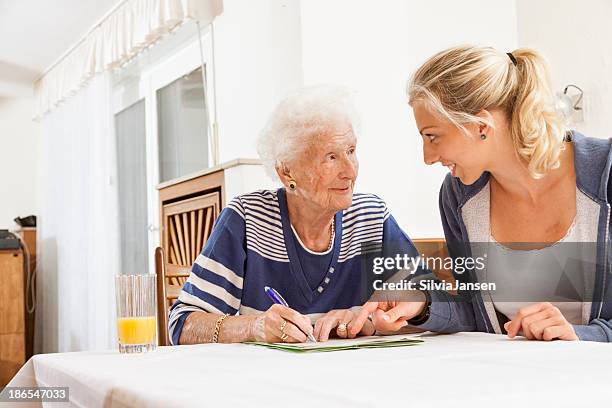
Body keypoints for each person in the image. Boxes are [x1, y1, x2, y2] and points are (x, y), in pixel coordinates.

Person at [350, 45, 612, 342]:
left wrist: (583, 335)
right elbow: (476, 312)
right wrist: (423, 304)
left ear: (480, 126)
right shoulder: (459, 197)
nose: (427, 156)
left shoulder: (605, 174)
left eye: (432, 136)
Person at [169, 85, 423, 344]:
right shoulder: (247, 219)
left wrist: (368, 321)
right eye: (331, 157)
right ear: (287, 172)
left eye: (351, 151)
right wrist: (254, 327)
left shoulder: (371, 217)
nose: (350, 171)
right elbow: (182, 324)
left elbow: (429, 306)